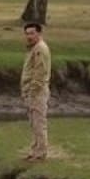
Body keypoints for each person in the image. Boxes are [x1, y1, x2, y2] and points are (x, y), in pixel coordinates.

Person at [21, 22, 51, 161]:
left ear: (39, 33)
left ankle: (40, 153)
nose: (29, 36)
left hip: (37, 92)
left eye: (32, 33)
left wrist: (32, 92)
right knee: (34, 122)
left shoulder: (40, 49)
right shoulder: (33, 48)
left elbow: (40, 73)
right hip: (30, 91)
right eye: (27, 33)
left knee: (39, 122)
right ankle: (35, 150)